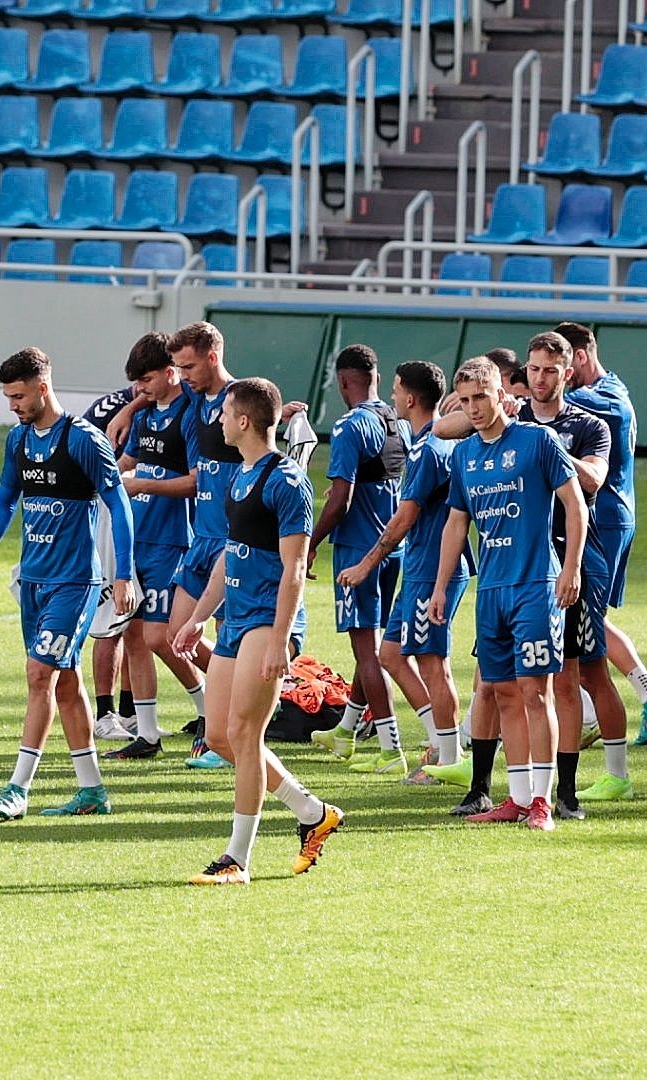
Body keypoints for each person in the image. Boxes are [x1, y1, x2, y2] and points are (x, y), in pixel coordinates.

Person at [0, 347, 135, 820]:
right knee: (66, 682)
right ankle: (92, 791)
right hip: (33, 580)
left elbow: (119, 506)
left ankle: (18, 788)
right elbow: (3, 501)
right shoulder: (18, 442)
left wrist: (123, 574)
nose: (12, 405)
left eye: (18, 396)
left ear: (42, 386)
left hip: (74, 583)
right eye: (7, 397)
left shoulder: (82, 441)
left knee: (40, 675)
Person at [175, 378, 342, 885]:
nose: (219, 419)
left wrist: (278, 640)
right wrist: (200, 614)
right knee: (221, 736)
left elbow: (294, 569)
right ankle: (313, 813)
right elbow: (232, 554)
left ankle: (237, 859)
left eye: (225, 412)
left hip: (268, 622)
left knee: (246, 734)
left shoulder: (287, 482)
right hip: (236, 618)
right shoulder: (239, 477)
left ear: (244, 420)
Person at [429, 357, 586, 832]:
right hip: (491, 589)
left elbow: (575, 505)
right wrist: (440, 586)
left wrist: (572, 568)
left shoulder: (539, 441)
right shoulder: (465, 456)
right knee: (500, 692)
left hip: (535, 585)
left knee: (535, 693)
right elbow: (456, 523)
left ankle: (542, 800)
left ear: (502, 395)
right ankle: (516, 798)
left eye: (482, 397)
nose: (475, 409)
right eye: (467, 400)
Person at [516, 332, 633, 817]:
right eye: (534, 370)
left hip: (574, 562)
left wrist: (544, 446)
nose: (540, 379)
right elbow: (448, 427)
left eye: (550, 370)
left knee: (574, 678)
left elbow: (593, 479)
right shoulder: (512, 419)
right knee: (506, 682)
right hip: (520, 566)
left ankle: (572, 789)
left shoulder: (588, 425)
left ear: (568, 372)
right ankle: (514, 789)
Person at [337, 360, 468, 786]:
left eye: (395, 391)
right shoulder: (428, 441)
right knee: (390, 654)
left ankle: (448, 758)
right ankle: (439, 744)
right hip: (419, 568)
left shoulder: (430, 448)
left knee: (434, 664)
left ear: (410, 398)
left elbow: (405, 518)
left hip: (432, 570)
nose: (392, 398)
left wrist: (365, 563)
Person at [555, 321, 647, 743]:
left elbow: (556, 409)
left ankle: (615, 709)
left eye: (560, 366)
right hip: (613, 512)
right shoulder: (614, 388)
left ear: (581, 358)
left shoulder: (598, 400)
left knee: (584, 615)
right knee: (591, 616)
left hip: (602, 515)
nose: (554, 377)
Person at [307, 345, 409, 775]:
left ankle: (391, 749)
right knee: (368, 644)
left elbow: (340, 501)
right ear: (377, 379)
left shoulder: (350, 427)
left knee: (368, 652)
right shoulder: (396, 422)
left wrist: (310, 541)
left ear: (342, 381)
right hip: (392, 547)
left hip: (357, 552)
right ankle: (345, 731)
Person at [106, 331, 204, 761]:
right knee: (134, 636)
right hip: (137, 536)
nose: (138, 389)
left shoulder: (191, 412)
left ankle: (210, 706)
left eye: (145, 380)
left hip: (172, 538)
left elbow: (196, 481)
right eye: (135, 383)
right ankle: (147, 734)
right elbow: (129, 462)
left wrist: (141, 483)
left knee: (163, 636)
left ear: (171, 373)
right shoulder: (144, 414)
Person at [78, 381, 143, 743]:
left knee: (136, 622)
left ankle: (130, 712)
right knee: (111, 618)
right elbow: (111, 473)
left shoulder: (143, 406)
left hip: (144, 518)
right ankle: (104, 714)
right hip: (107, 516)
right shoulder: (113, 410)